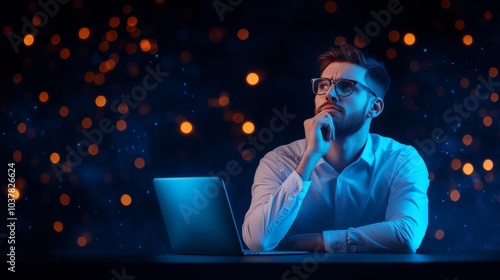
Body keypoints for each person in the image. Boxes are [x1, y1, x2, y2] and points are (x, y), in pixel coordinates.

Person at [241, 44, 430, 253]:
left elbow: (406, 235)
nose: (329, 94)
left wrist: (311, 242)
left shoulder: (401, 161)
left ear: (374, 107)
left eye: (346, 86)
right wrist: (309, 159)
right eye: (323, 85)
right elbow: (257, 240)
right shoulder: (279, 161)